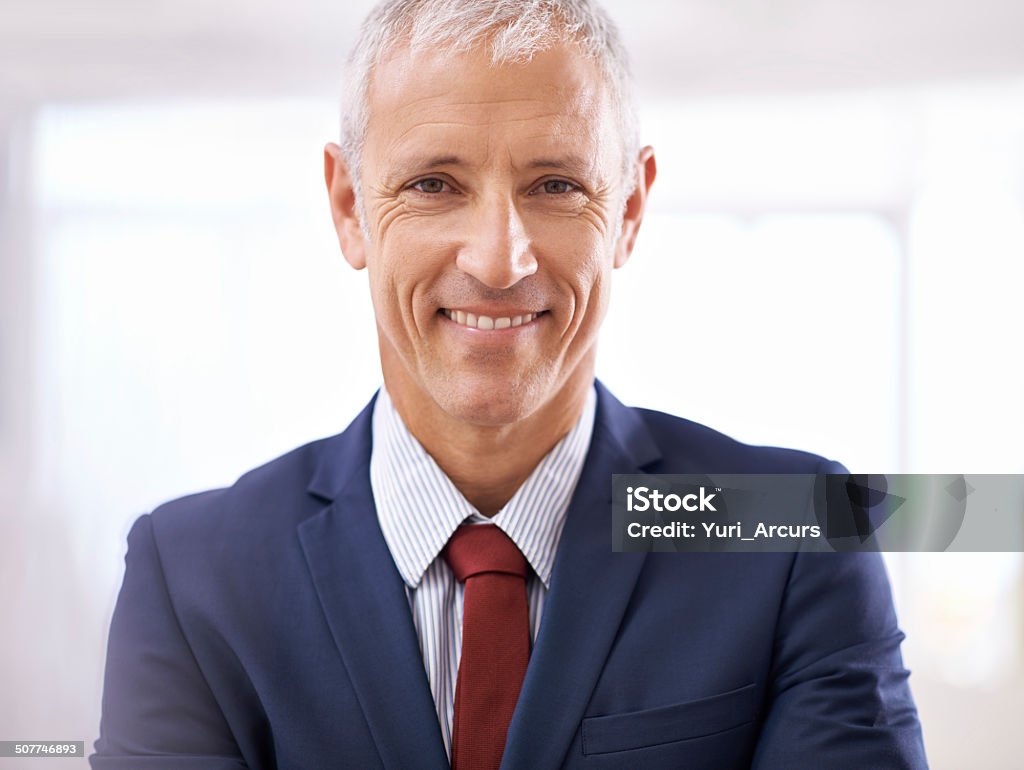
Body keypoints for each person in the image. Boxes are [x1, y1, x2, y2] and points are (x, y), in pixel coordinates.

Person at [91, 0, 927, 768]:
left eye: (555, 185)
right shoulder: (194, 578)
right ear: (350, 206)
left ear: (629, 210)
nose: (499, 259)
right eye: (433, 185)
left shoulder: (796, 532)